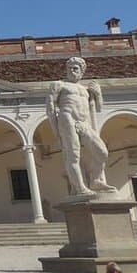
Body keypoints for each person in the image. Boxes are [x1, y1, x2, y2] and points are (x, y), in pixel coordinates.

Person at [45, 57, 117, 196]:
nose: (72, 71)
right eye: (69, 68)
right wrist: (57, 132)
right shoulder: (59, 84)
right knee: (73, 156)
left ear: (82, 71)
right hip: (67, 119)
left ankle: (96, 180)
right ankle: (80, 188)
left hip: (84, 123)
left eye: (75, 68)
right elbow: (50, 109)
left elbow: (98, 108)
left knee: (102, 152)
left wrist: (98, 94)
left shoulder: (85, 89)